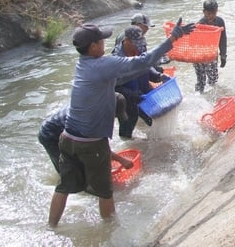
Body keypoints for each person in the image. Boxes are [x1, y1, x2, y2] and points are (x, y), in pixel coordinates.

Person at [48, 18, 194, 227]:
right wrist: (173, 37)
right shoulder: (103, 64)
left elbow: (141, 66)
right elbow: (146, 60)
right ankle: (111, 233)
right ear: (93, 46)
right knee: (105, 192)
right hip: (91, 142)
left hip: (68, 137)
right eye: (101, 41)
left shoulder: (83, 65)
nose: (104, 44)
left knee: (64, 187)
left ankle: (51, 227)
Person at [38, 94, 133, 174]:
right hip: (50, 134)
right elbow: (100, 149)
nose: (114, 118)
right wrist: (122, 160)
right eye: (114, 115)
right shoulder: (92, 121)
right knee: (67, 171)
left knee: (80, 163)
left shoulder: (94, 102)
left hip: (64, 128)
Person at [113, 26, 171, 138]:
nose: (139, 48)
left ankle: (157, 142)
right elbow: (114, 87)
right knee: (129, 124)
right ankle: (127, 144)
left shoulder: (140, 49)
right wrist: (132, 94)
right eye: (136, 44)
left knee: (156, 119)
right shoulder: (117, 61)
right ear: (126, 41)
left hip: (144, 93)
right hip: (129, 100)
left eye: (141, 44)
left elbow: (146, 66)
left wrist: (158, 76)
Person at [194, 0, 227, 93]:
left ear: (217, 11)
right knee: (201, 81)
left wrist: (223, 55)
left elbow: (223, 39)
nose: (211, 16)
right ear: (204, 12)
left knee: (213, 78)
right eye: (209, 13)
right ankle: (199, 99)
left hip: (212, 54)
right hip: (200, 56)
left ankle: (213, 97)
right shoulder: (199, 25)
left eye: (214, 13)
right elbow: (194, 43)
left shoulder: (220, 22)